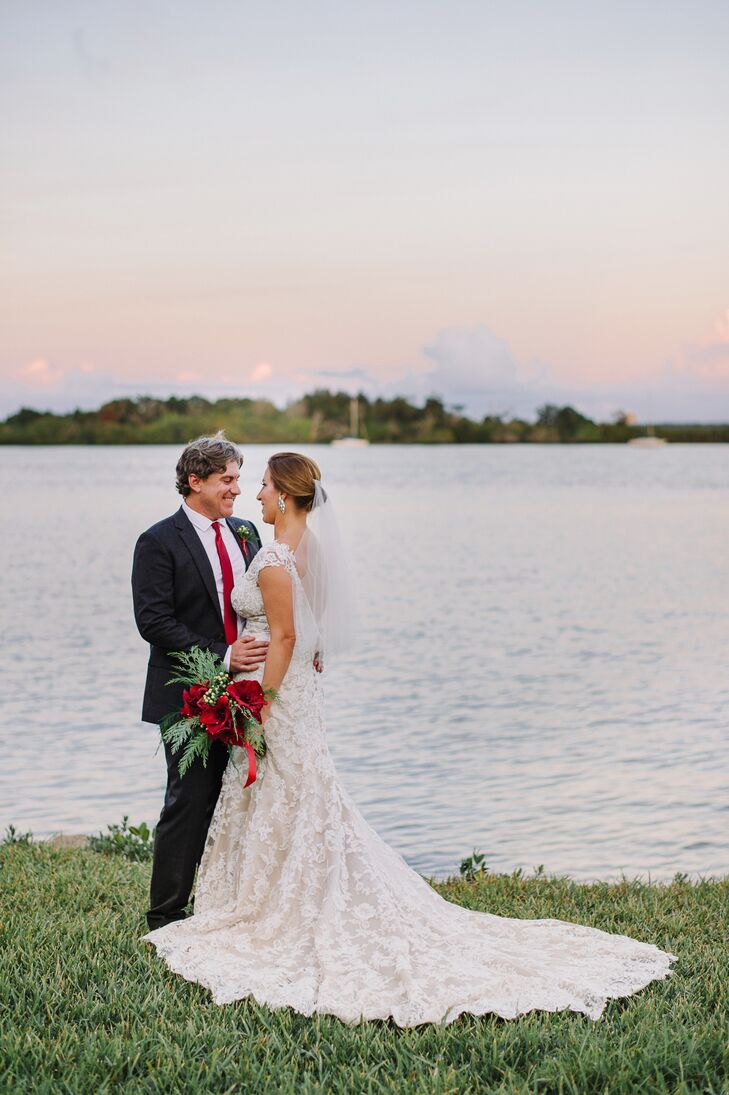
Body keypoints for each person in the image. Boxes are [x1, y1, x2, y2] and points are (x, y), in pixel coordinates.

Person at [143, 452, 674, 1026]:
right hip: (252, 691)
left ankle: (272, 908)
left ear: (287, 496)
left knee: (283, 797)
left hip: (269, 695)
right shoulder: (225, 544)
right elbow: (185, 620)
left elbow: (288, 633)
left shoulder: (265, 548)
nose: (249, 493)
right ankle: (206, 906)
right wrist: (250, 670)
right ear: (196, 481)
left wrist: (260, 700)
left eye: (261, 484)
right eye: (234, 480)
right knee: (259, 799)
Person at [132, 433, 266, 931]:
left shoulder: (248, 531)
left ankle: (228, 902)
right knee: (188, 800)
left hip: (249, 687)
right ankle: (165, 915)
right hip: (185, 690)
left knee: (241, 794)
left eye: (237, 478)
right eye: (227, 479)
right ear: (195, 481)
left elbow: (267, 599)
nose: (237, 489)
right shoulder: (158, 541)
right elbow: (154, 622)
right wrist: (223, 656)